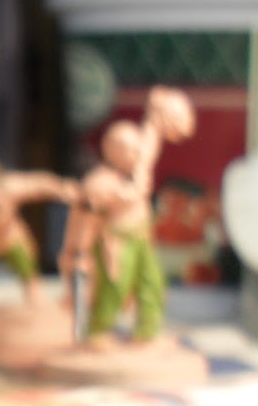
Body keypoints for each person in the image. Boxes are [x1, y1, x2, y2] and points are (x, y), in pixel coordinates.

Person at [61, 87, 196, 342]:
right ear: (113, 151)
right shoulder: (99, 183)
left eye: (136, 150)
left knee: (152, 283)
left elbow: (149, 145)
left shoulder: (137, 170)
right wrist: (80, 252)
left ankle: (146, 332)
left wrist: (157, 115)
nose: (136, 155)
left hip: (142, 238)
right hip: (115, 242)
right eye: (129, 150)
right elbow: (85, 221)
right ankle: (98, 331)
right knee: (115, 287)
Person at [0, 154, 78, 315]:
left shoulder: (9, 187)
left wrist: (62, 187)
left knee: (28, 271)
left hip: (11, 240)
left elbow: (39, 182)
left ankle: (37, 305)